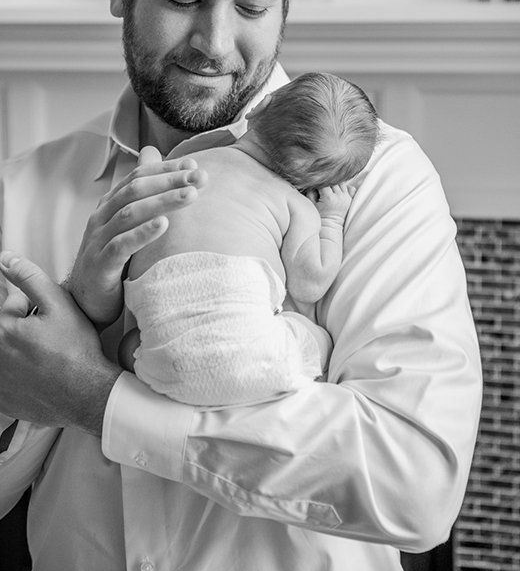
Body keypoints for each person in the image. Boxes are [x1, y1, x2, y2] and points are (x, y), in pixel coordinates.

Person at [0, 0, 482, 571]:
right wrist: (44, 343)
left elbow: (416, 486)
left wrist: (98, 399)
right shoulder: (27, 192)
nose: (216, 45)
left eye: (253, 6)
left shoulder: (377, 179)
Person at [119, 72, 378, 407]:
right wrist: (332, 217)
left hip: (158, 364)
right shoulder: (294, 204)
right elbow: (309, 284)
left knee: (130, 342)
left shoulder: (180, 166)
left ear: (261, 106)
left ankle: (150, 359)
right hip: (255, 364)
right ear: (316, 181)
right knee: (321, 340)